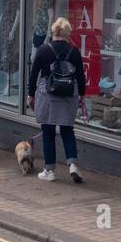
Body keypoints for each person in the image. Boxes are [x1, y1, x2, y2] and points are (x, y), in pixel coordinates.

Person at [28, 16, 86, 183]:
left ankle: (49, 170)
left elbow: (33, 75)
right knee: (68, 130)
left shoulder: (43, 50)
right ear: (67, 33)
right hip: (69, 94)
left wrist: (30, 95)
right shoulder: (74, 52)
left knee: (48, 131)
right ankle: (73, 164)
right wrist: (81, 95)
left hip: (48, 94)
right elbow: (80, 77)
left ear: (53, 31)